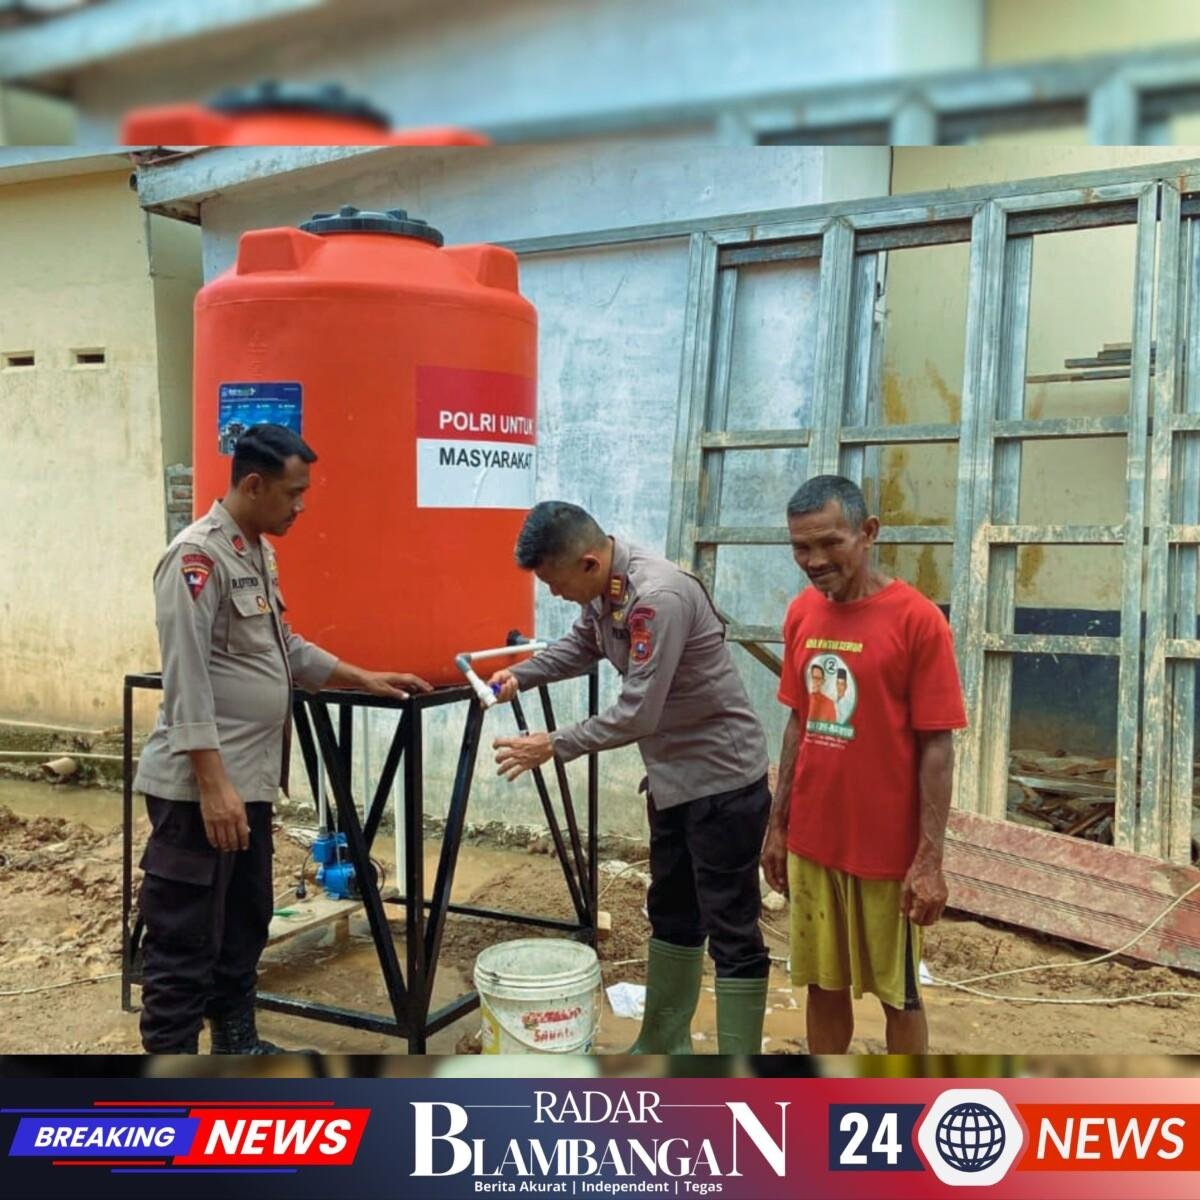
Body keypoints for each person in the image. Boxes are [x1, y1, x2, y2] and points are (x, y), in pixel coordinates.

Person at [133, 424, 431, 1054]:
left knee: (244, 922)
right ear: (253, 484)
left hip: (248, 782)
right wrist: (213, 786)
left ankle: (236, 1045)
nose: (302, 506)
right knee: (185, 939)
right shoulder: (195, 559)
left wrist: (362, 677)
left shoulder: (255, 552)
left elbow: (283, 647)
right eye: (294, 493)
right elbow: (186, 680)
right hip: (199, 791)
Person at [487, 501, 771, 1054]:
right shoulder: (606, 590)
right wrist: (519, 676)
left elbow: (638, 713)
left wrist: (554, 744)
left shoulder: (656, 598)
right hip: (671, 781)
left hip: (722, 781)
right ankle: (664, 1043)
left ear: (589, 563)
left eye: (555, 582)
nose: (554, 594)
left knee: (731, 928)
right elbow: (581, 646)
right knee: (672, 912)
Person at [760, 475, 966, 1054]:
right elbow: (799, 722)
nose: (815, 560)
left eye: (830, 543)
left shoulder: (917, 620)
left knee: (900, 996)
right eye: (802, 547)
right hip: (814, 843)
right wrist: (779, 826)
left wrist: (929, 860)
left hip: (886, 855)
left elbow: (937, 746)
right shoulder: (801, 614)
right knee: (823, 987)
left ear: (868, 532)